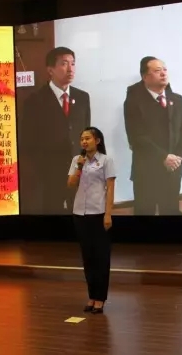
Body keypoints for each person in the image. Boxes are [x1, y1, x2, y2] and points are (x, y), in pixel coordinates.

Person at [20, 47, 91, 214]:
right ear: (50, 69)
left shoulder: (82, 97)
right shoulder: (35, 101)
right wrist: (41, 169)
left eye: (73, 64)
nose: (70, 69)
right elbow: (28, 141)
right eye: (64, 64)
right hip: (49, 173)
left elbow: (87, 133)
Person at [123, 56, 182, 215]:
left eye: (165, 69)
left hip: (173, 167)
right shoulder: (134, 102)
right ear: (145, 77)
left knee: (171, 210)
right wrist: (163, 157)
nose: (163, 73)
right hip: (147, 168)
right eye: (157, 70)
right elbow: (136, 136)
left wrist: (179, 156)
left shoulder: (177, 99)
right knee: (145, 211)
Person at [67, 126, 116, 314]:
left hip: (99, 213)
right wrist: (79, 167)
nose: (84, 142)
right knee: (87, 257)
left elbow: (110, 189)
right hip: (80, 213)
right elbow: (71, 184)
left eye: (88, 138)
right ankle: (91, 296)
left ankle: (100, 298)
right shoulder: (77, 160)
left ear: (97, 141)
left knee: (101, 257)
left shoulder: (106, 161)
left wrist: (108, 214)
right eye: (82, 139)